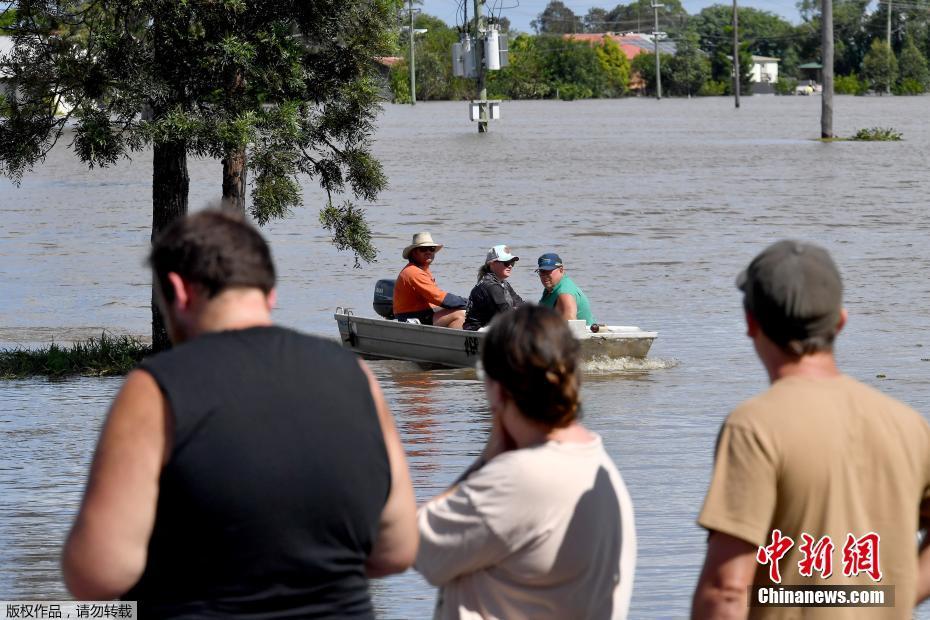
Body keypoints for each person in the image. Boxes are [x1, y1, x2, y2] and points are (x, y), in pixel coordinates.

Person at [61, 211, 418, 618]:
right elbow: (397, 551)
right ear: (269, 294)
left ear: (177, 291)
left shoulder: (155, 389)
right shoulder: (357, 377)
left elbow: (96, 574)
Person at [692, 240, 930, 619]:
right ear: (840, 320)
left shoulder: (755, 427)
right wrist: (894, 598)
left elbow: (726, 591)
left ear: (751, 323)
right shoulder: (910, 425)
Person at [416, 305, 637, 619]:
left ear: (498, 389)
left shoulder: (518, 478)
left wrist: (486, 458)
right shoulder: (602, 469)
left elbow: (407, 545)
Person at [394, 232, 467, 329]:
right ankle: (452, 343)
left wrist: (463, 303)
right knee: (462, 314)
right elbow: (437, 297)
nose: (428, 252)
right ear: (414, 252)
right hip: (412, 317)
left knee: (458, 307)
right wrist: (469, 303)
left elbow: (437, 299)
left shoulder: (422, 269)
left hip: (423, 313)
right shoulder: (413, 272)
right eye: (423, 249)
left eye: (431, 249)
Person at [463, 244, 524, 331]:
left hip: (493, 326)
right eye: (506, 263)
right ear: (492, 264)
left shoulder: (503, 283)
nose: (510, 266)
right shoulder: (490, 285)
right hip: (477, 330)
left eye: (512, 263)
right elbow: (506, 311)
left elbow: (520, 303)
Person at [536, 253, 596, 326]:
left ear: (561, 270)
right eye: (542, 271)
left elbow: (571, 326)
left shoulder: (565, 293)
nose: (545, 276)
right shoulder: (551, 288)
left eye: (548, 271)